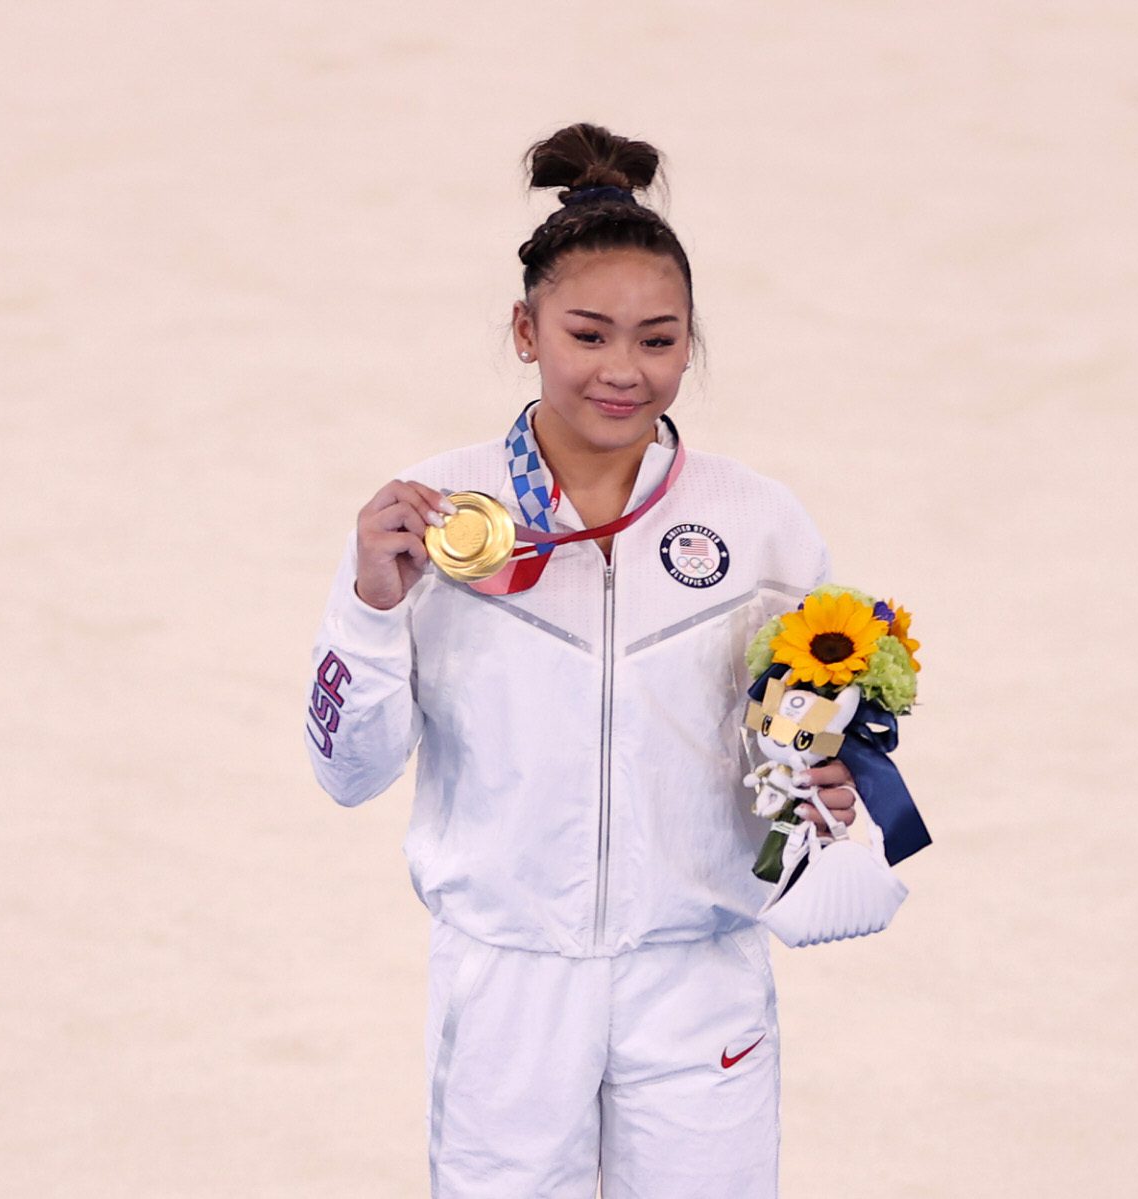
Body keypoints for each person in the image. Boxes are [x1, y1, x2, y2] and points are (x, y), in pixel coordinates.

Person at [304, 121, 861, 1199]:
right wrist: (375, 608)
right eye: (589, 333)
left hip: (696, 973)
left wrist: (836, 781)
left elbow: (823, 739)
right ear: (526, 329)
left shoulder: (758, 524)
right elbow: (348, 771)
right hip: (510, 975)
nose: (623, 370)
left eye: (658, 340)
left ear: (691, 344)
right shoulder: (431, 513)